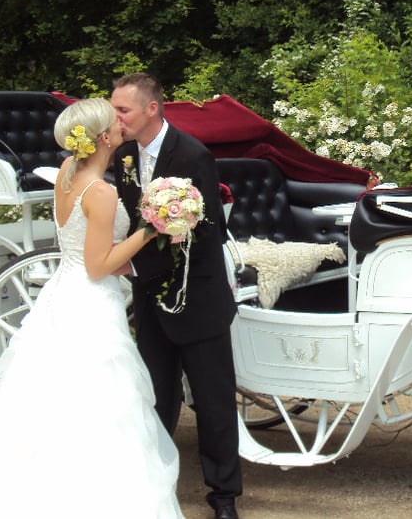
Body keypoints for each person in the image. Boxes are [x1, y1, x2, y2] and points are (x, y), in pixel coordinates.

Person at [0, 98, 183, 519]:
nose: (122, 125)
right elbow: (98, 265)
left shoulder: (67, 172)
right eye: (114, 123)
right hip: (90, 301)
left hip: (61, 293)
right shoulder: (100, 192)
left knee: (48, 397)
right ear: (104, 138)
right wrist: (149, 229)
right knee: (99, 401)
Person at [112, 73, 243, 519]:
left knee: (213, 401)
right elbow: (132, 221)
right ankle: (154, 487)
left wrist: (133, 265)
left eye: (123, 110)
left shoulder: (192, 154)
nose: (116, 118)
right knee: (155, 397)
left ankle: (223, 497)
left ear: (151, 109)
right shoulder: (124, 156)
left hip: (198, 297)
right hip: (150, 300)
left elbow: (206, 234)